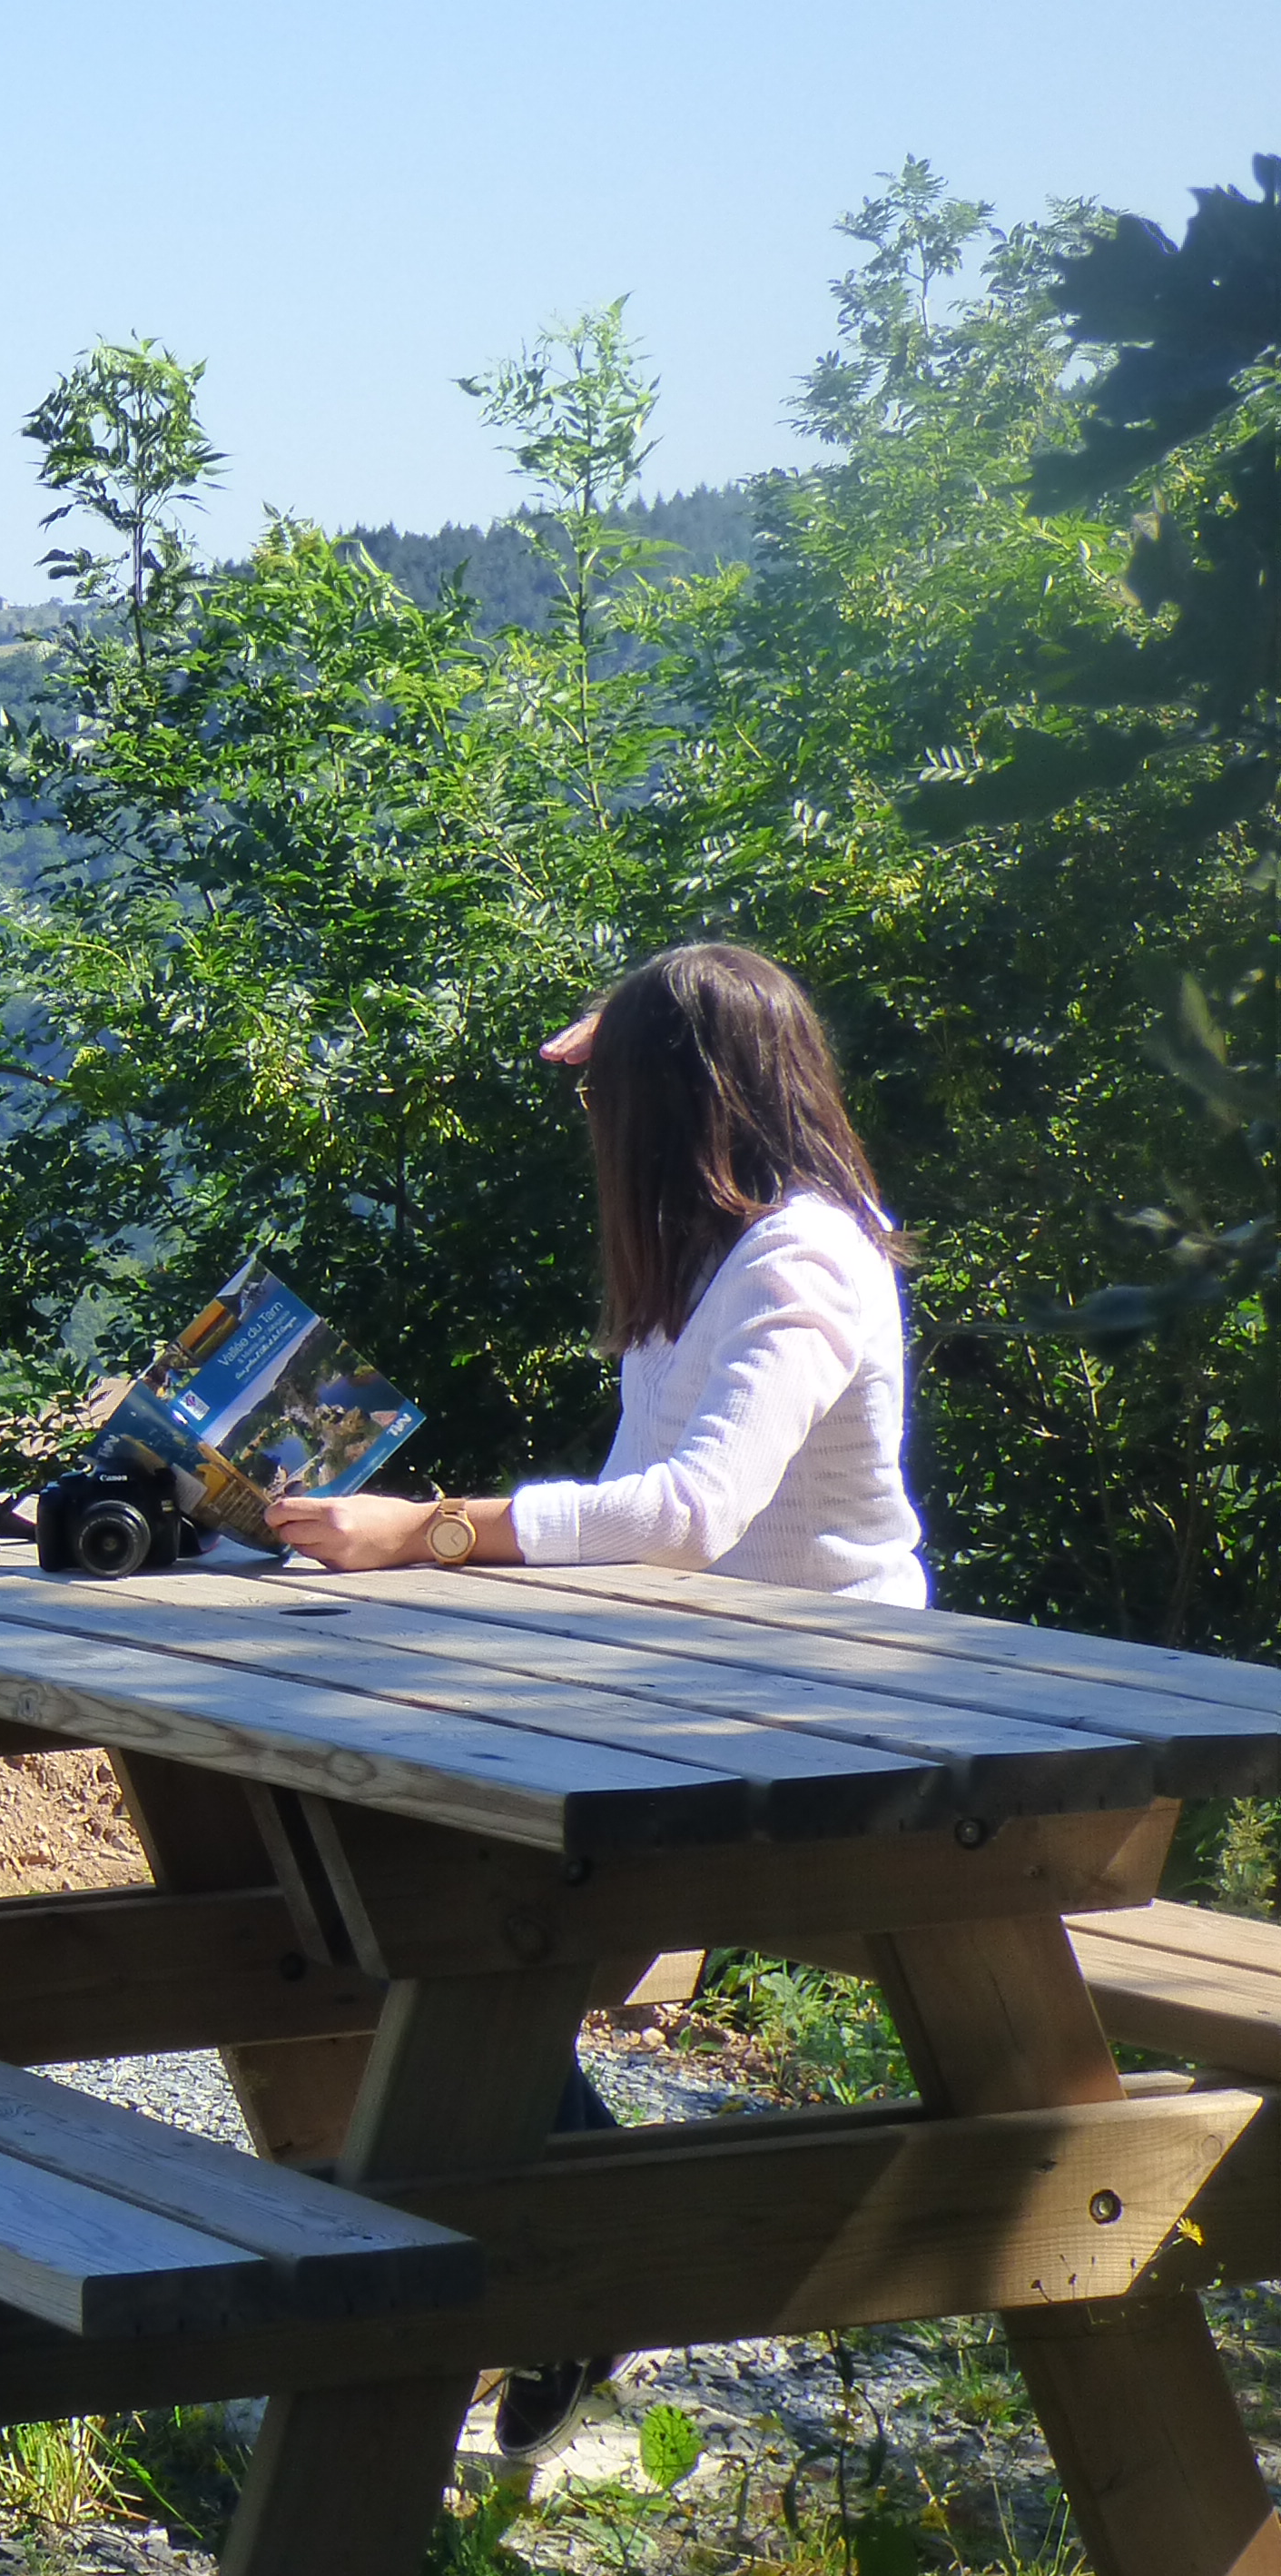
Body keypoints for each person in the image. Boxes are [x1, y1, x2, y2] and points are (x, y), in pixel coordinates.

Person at [265, 941, 923, 2453]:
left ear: (672, 1100)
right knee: (367, 1847)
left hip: (833, 1717)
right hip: (696, 1689)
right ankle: (556, 2252)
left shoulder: (806, 1259)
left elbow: (688, 1511)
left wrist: (437, 1530)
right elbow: (642, 1513)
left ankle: (570, 2260)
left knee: (415, 1880)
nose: (586, 1121)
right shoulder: (709, 1259)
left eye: (601, 1088)